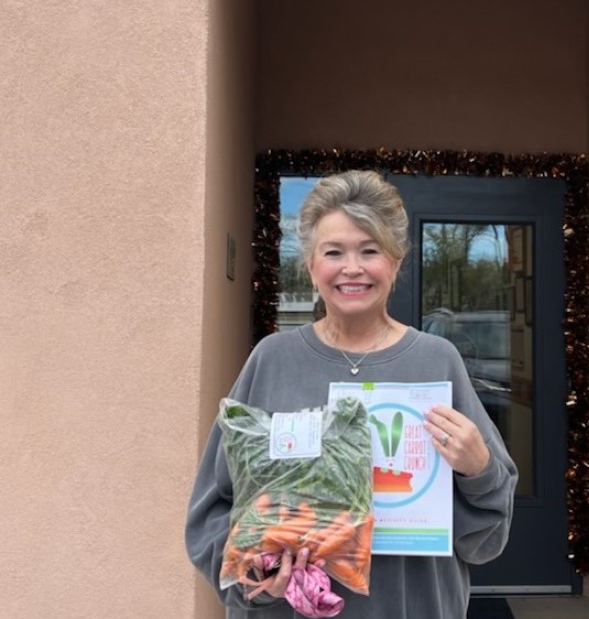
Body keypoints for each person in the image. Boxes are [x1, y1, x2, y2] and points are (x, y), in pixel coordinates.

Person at [186, 169, 518, 618]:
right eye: (334, 252)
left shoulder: (436, 361)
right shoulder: (272, 360)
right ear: (310, 264)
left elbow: (485, 541)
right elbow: (211, 509)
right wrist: (256, 575)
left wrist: (479, 469)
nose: (352, 268)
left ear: (396, 261)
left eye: (370, 250)